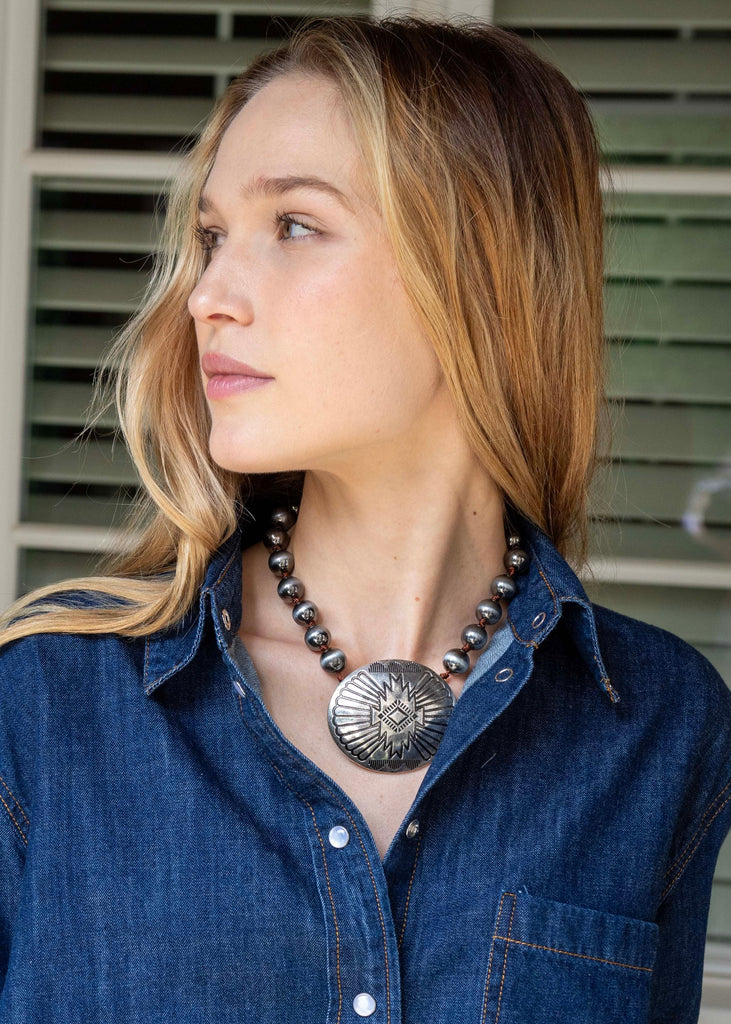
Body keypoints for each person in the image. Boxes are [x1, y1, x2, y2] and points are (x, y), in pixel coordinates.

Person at [0, 14, 728, 1023]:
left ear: (476, 267)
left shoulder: (657, 722)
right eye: (211, 239)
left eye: (292, 225)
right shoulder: (45, 698)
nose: (206, 294)